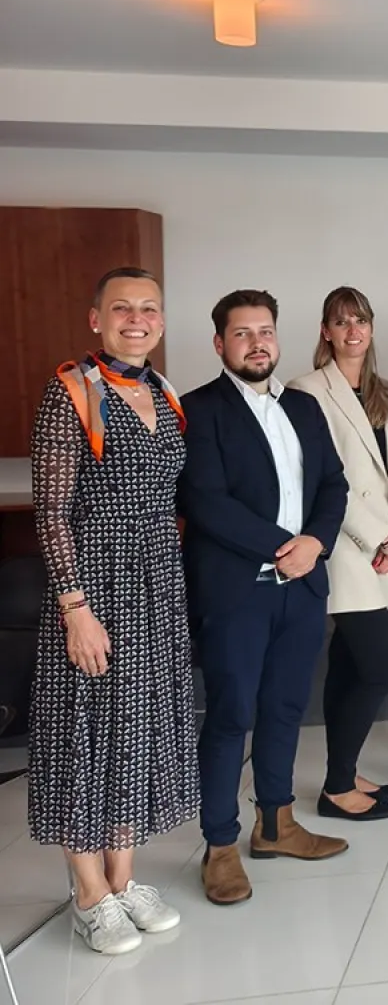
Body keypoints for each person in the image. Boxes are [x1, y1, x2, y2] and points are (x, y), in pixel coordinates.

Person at [29, 268, 197, 954]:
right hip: (95, 584)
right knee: (84, 730)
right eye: (121, 308)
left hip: (158, 581)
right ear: (95, 317)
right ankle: (87, 890)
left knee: (142, 727)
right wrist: (75, 607)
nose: (137, 318)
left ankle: (124, 878)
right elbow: (52, 510)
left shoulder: (163, 390)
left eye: (149, 308)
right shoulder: (69, 390)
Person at [180, 289, 351, 906]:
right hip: (238, 594)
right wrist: (290, 545)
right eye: (244, 332)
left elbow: (334, 482)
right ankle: (220, 844)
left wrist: (316, 544)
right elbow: (205, 501)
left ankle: (276, 825)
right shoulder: (196, 409)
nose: (258, 342)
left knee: (285, 709)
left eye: (267, 331)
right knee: (231, 716)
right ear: (221, 343)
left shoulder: (304, 406)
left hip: (301, 589)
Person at [289, 286, 388, 823]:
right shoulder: (306, 390)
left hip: (387, 547)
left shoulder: (384, 391)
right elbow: (321, 480)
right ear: (326, 331)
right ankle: (336, 787)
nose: (352, 331)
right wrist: (378, 539)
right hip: (345, 549)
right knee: (378, 667)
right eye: (341, 322)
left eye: (360, 320)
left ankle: (346, 767)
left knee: (348, 666)